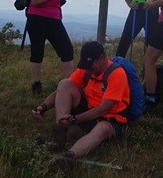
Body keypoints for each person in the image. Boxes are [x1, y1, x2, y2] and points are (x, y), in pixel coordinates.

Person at [32, 41, 130, 169]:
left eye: (90, 65)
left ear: (101, 58)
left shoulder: (117, 74)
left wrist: (74, 119)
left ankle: (68, 157)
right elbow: (61, 90)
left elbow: (102, 109)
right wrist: (43, 107)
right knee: (65, 83)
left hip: (111, 120)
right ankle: (58, 138)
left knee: (103, 128)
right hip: (90, 113)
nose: (88, 68)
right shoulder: (86, 70)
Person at [26, 0, 74, 97]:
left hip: (54, 18)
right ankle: (36, 85)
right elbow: (35, 0)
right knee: (37, 52)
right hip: (36, 18)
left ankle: (64, 86)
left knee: (67, 52)